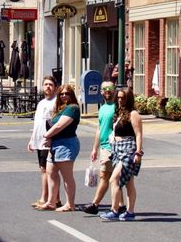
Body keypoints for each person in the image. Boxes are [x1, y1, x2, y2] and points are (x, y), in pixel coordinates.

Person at [99, 88, 143, 222]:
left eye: (123, 98)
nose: (119, 100)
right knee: (129, 183)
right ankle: (130, 212)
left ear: (128, 99)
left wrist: (138, 152)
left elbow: (139, 134)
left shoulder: (133, 114)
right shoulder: (118, 113)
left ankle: (114, 210)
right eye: (118, 97)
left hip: (128, 148)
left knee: (114, 179)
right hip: (117, 149)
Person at [39, 84, 81, 212]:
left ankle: (70, 204)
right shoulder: (61, 108)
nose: (63, 96)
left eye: (66, 93)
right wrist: (50, 138)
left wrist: (46, 135)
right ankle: (51, 201)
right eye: (61, 94)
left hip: (66, 144)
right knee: (51, 172)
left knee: (67, 175)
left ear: (71, 95)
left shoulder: (72, 108)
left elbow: (59, 126)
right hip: (55, 143)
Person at [82, 81, 119, 214]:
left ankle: (95, 204)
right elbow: (99, 129)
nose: (107, 90)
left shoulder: (117, 107)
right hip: (104, 147)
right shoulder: (103, 108)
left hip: (113, 146)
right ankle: (120, 205)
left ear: (114, 90)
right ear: (101, 92)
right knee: (114, 177)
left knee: (105, 175)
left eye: (110, 88)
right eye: (104, 89)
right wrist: (94, 148)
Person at [27, 76, 57, 209]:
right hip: (39, 140)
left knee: (46, 170)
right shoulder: (41, 103)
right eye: (45, 84)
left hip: (48, 140)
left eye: (50, 84)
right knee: (45, 169)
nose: (48, 87)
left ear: (55, 87)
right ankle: (55, 198)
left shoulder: (56, 102)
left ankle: (45, 197)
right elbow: (37, 123)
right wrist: (32, 140)